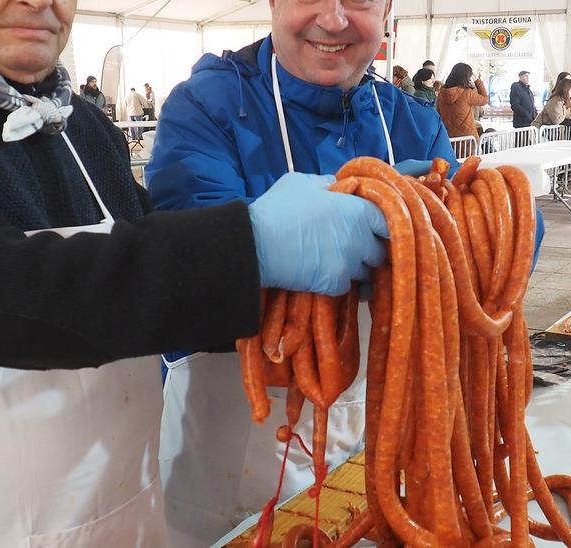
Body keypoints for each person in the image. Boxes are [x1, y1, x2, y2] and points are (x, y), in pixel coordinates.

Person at [0, 1, 391, 546]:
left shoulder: (81, 127)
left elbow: (150, 281)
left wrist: (395, 229)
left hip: (118, 514)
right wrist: (250, 242)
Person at [145, 2, 540, 544]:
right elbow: (188, 264)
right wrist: (384, 230)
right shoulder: (207, 107)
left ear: (386, 12)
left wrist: (501, 231)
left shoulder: (412, 122)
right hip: (235, 440)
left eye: (358, 0)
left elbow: (470, 287)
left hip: (391, 431)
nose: (332, 21)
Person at [437, 62, 490, 142]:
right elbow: (485, 99)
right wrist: (477, 81)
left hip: (448, 138)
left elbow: (439, 112)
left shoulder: (441, 93)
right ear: (466, 77)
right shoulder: (466, 93)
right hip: (468, 139)